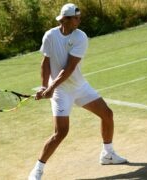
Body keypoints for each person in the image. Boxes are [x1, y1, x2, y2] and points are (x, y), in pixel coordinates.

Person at [28, 3, 127, 180]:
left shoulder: (81, 37)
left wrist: (51, 87)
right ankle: (38, 169)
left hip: (79, 86)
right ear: (65, 19)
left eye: (79, 17)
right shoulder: (50, 36)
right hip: (61, 93)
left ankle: (108, 154)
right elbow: (45, 62)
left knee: (107, 114)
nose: (79, 20)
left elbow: (70, 68)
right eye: (76, 17)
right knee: (61, 133)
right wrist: (44, 86)